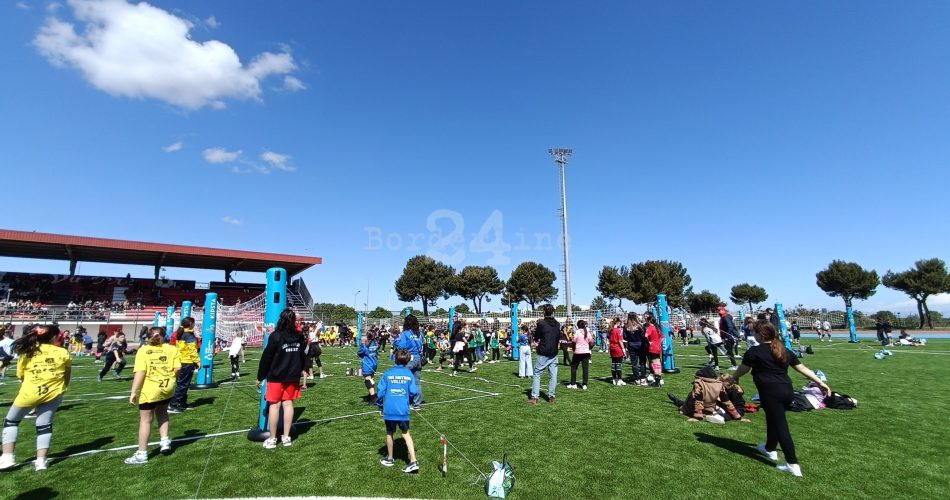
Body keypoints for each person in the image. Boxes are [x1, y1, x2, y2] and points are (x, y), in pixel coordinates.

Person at [733, 321, 831, 477]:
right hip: (787, 391)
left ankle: (792, 464)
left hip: (771, 393)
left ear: (760, 335)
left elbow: (743, 369)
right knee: (773, 419)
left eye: (755, 332)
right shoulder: (783, 349)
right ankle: (769, 448)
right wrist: (820, 382)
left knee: (780, 426)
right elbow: (802, 368)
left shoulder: (754, 351)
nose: (753, 335)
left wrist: (734, 377)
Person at [0, 325, 71, 471]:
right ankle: (41, 461)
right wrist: (61, 390)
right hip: (54, 392)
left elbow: (21, 376)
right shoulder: (63, 352)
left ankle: (7, 457)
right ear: (53, 337)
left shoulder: (27, 352)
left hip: (29, 392)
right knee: (44, 425)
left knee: (11, 421)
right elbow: (67, 376)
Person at [125, 327, 181, 465]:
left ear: (148, 337)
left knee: (145, 420)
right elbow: (178, 368)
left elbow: (140, 372)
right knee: (162, 412)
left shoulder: (143, 350)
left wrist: (133, 392)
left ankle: (142, 453)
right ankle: (165, 441)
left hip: (150, 389)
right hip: (167, 387)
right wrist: (169, 377)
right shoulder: (172, 349)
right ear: (164, 336)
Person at [257, 308, 307, 449]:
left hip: (277, 376)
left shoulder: (276, 336)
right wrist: (300, 370)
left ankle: (273, 439)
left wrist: (260, 376)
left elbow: (267, 357)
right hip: (292, 376)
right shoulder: (298, 336)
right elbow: (302, 356)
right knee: (288, 404)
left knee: (274, 405)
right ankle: (286, 437)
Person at [377, 349, 420, 473]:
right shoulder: (409, 374)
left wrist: (380, 405)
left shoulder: (388, 373)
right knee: (406, 433)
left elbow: (380, 392)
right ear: (408, 360)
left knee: (389, 433)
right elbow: (414, 391)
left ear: (395, 359)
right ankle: (413, 460)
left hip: (390, 409)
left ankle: (390, 458)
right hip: (402, 410)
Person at [528, 304, 560, 404]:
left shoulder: (541, 323)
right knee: (553, 375)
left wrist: (537, 342)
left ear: (544, 312)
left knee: (537, 374)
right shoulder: (557, 324)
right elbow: (558, 336)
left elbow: (536, 336)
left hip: (544, 352)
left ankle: (535, 397)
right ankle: (551, 397)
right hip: (554, 352)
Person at [169, 317, 199, 414]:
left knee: (183, 383)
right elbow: (192, 351)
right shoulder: (189, 335)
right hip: (187, 362)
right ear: (190, 324)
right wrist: (198, 362)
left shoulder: (180, 333)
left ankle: (182, 402)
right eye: (194, 323)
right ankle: (173, 404)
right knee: (183, 384)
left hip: (181, 361)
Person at [393, 315, 424, 410]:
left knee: (402, 380)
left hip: (409, 358)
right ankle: (416, 404)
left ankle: (403, 401)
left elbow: (401, 346)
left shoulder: (405, 333)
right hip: (418, 358)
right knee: (417, 382)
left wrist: (395, 340)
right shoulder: (420, 333)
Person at [623, 313, 647, 386]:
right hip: (641, 344)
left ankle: (637, 379)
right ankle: (643, 379)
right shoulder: (640, 326)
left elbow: (625, 337)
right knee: (642, 362)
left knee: (634, 363)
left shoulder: (626, 327)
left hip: (631, 345)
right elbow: (644, 336)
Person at [567, 320, 592, 390]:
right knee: (585, 369)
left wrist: (574, 349)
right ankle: (584, 384)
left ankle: (573, 383)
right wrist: (589, 348)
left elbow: (573, 341)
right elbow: (592, 341)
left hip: (578, 352)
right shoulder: (587, 332)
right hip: (586, 352)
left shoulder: (577, 332)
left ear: (578, 326)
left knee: (574, 368)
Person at [643, 311, 665, 387]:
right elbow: (663, 337)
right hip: (658, 346)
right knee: (658, 362)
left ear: (649, 321)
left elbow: (645, 336)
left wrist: (649, 342)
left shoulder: (650, 327)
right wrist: (658, 342)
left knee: (654, 363)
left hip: (653, 347)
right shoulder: (657, 327)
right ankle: (659, 378)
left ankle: (656, 381)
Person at [358, 330, 379, 404]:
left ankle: (373, 397)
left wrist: (362, 344)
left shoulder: (365, 344)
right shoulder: (376, 342)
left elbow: (360, 352)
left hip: (368, 364)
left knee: (367, 380)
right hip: (374, 363)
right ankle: (370, 395)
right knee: (371, 378)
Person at [608, 318, 627, 386]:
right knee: (618, 364)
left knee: (614, 364)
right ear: (618, 322)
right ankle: (619, 380)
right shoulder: (618, 330)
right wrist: (624, 350)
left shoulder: (611, 330)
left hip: (612, 347)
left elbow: (609, 340)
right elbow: (620, 341)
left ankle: (614, 379)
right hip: (617, 348)